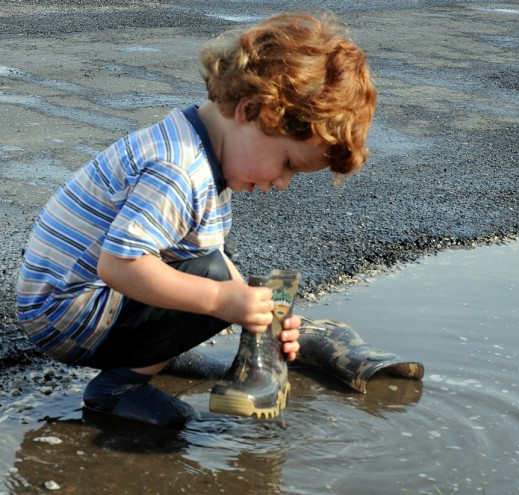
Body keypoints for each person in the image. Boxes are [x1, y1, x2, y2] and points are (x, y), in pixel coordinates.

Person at [16, 12, 376, 426]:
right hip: (67, 314)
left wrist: (262, 323)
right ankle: (117, 390)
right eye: (288, 163)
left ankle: (155, 354)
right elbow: (118, 266)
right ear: (250, 110)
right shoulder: (179, 169)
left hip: (79, 301)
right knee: (212, 283)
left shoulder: (199, 145)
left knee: (218, 266)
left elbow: (205, 257)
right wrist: (224, 301)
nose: (282, 183)